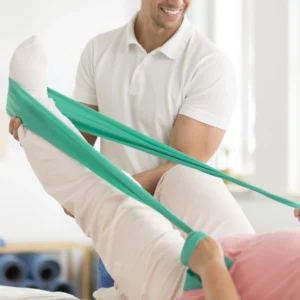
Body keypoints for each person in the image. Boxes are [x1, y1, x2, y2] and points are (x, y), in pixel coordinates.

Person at [9, 37, 300, 300]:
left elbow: (185, 154)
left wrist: (210, 267)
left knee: (110, 200)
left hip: (202, 286)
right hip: (242, 253)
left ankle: (34, 115)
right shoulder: (102, 49)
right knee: (188, 177)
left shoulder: (209, 63)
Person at [9, 0, 238, 294]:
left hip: (178, 243)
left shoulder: (209, 64)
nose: (177, 2)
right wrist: (38, 135)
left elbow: (184, 170)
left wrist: (100, 196)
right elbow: (77, 142)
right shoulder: (99, 50)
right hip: (113, 238)